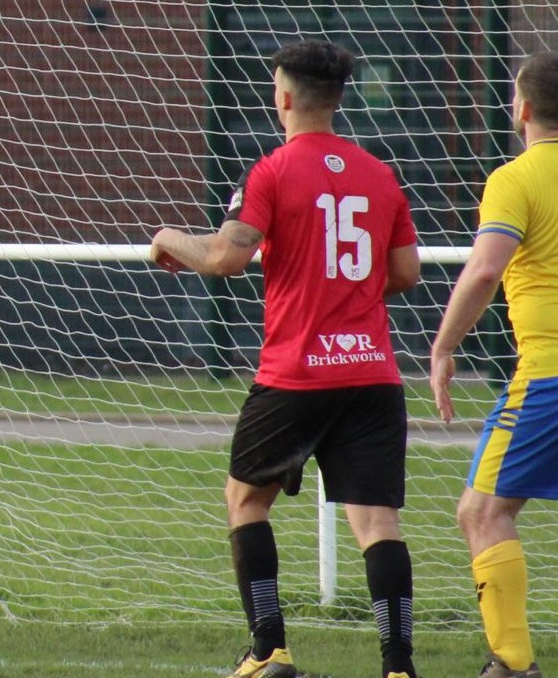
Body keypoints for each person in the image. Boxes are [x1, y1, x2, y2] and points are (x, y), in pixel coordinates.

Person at [150, 40, 421, 678]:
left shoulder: (272, 170)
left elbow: (224, 258)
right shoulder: (379, 174)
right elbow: (405, 271)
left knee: (245, 499)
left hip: (299, 372)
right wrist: (343, 290)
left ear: (285, 96)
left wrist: (167, 239)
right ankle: (400, 666)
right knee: (378, 521)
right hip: (373, 373)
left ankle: (268, 649)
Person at [428, 50, 558, 678]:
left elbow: (486, 269)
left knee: (482, 511)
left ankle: (512, 665)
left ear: (525, 107)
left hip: (554, 375)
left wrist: (444, 345)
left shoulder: (516, 177)